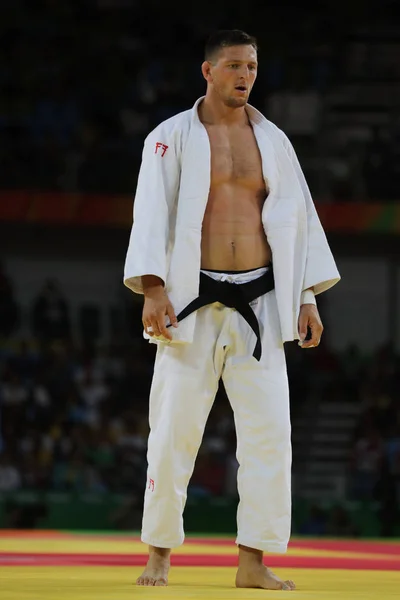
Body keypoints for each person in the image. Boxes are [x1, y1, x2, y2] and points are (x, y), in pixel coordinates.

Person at [124, 29, 340, 591]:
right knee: (173, 431)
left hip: (263, 300)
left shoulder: (274, 141)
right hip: (190, 300)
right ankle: (160, 555)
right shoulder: (169, 137)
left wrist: (307, 296)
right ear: (208, 71)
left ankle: (253, 562)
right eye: (234, 66)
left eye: (252, 66)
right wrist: (152, 288)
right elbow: (151, 215)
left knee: (270, 434)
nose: (245, 75)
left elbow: (299, 222)